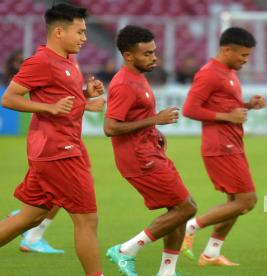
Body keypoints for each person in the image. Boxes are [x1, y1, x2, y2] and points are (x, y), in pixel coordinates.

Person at [0, 3, 104, 276]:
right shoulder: (41, 61)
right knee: (87, 220)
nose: (84, 38)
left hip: (59, 148)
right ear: (59, 31)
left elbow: (61, 98)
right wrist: (48, 108)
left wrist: (85, 98)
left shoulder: (69, 61)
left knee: (28, 217)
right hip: (58, 151)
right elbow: (8, 98)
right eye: (80, 32)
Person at [104, 25, 197, 276]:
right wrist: (154, 121)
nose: (153, 57)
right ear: (128, 55)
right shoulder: (124, 83)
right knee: (187, 208)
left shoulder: (138, 77)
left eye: (154, 52)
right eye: (146, 53)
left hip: (149, 151)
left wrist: (154, 131)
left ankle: (167, 272)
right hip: (138, 159)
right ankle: (126, 250)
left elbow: (136, 116)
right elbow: (110, 127)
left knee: (178, 210)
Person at [181, 27, 264, 266]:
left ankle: (212, 253)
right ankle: (192, 225)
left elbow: (226, 106)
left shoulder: (227, 71)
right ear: (226, 50)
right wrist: (228, 118)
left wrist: (248, 105)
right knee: (246, 200)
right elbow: (190, 109)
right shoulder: (209, 74)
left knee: (235, 202)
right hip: (220, 144)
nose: (245, 60)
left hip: (232, 142)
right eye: (243, 55)